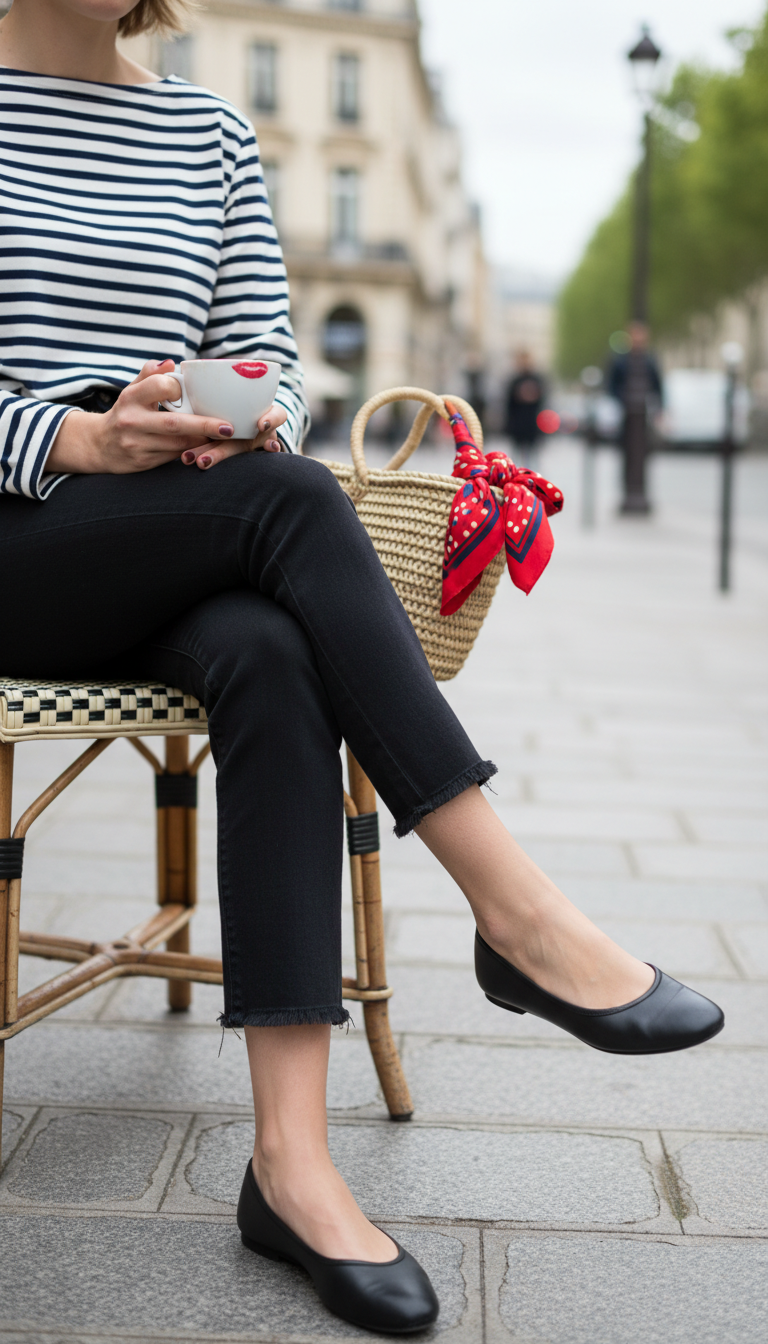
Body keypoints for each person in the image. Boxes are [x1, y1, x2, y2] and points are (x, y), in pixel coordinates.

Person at [0, 0, 724, 1332]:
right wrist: (76, 438)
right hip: (19, 542)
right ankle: (516, 914)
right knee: (296, 509)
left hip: (174, 529)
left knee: (273, 644)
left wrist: (240, 417)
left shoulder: (209, 132)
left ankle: (292, 1167)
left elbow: (271, 359)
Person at [607, 321, 663, 514]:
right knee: (627, 457)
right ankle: (628, 493)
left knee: (642, 458)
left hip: (643, 415)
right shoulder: (621, 360)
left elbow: (658, 385)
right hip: (627, 415)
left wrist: (660, 409)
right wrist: (622, 399)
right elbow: (611, 385)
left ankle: (641, 493)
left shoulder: (650, 360)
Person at [504, 349, 546, 471]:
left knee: (533, 459)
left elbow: (542, 403)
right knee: (515, 460)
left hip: (532, 425)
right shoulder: (514, 381)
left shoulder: (537, 380)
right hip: (518, 425)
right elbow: (509, 405)